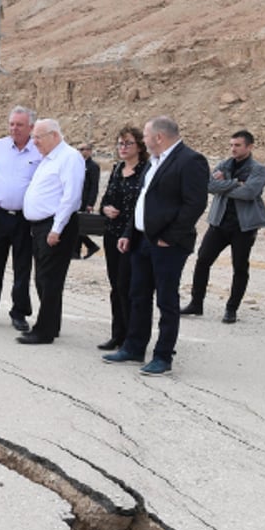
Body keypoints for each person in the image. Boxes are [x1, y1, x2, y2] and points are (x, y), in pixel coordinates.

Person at [103, 116, 209, 375]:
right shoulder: (154, 162)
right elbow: (142, 202)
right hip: (142, 240)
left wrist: (170, 236)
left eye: (147, 136)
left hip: (168, 245)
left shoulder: (190, 160)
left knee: (166, 300)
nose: (144, 140)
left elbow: (194, 204)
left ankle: (163, 356)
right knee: (137, 295)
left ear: (159, 137)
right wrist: (130, 232)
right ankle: (134, 347)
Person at [179, 130, 265, 323]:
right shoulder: (224, 165)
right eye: (231, 145)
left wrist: (225, 186)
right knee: (203, 260)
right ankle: (196, 303)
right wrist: (236, 182)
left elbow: (249, 193)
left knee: (239, 267)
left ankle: (231, 309)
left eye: (237, 145)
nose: (233, 149)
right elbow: (209, 186)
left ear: (249, 147)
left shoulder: (258, 169)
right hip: (219, 223)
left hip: (244, 226)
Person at [17, 119, 85, 345]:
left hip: (56, 226)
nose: (34, 142)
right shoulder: (48, 157)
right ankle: (51, 324)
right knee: (43, 278)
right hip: (40, 226)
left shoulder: (69, 157)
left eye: (38, 137)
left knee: (49, 279)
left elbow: (71, 197)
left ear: (54, 136)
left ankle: (43, 330)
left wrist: (56, 229)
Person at [0, 106, 41, 332]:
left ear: (31, 127)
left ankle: (19, 313)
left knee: (22, 268)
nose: (14, 128)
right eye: (12, 124)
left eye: (19, 125)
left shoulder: (39, 150)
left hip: (26, 219)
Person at [95, 126, 148, 351]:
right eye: (120, 144)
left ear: (139, 146)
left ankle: (132, 337)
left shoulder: (146, 171)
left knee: (129, 286)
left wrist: (128, 229)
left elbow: (142, 206)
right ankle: (118, 334)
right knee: (116, 286)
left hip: (133, 236)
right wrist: (105, 209)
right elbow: (105, 200)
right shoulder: (117, 169)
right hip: (112, 234)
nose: (123, 148)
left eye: (128, 143)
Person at [75, 143, 101, 260]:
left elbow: (94, 186)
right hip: (76, 199)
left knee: (79, 226)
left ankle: (85, 248)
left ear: (89, 151)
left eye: (82, 149)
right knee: (76, 225)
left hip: (85, 200)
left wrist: (91, 203)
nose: (79, 152)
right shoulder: (77, 164)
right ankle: (85, 248)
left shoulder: (92, 166)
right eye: (78, 149)